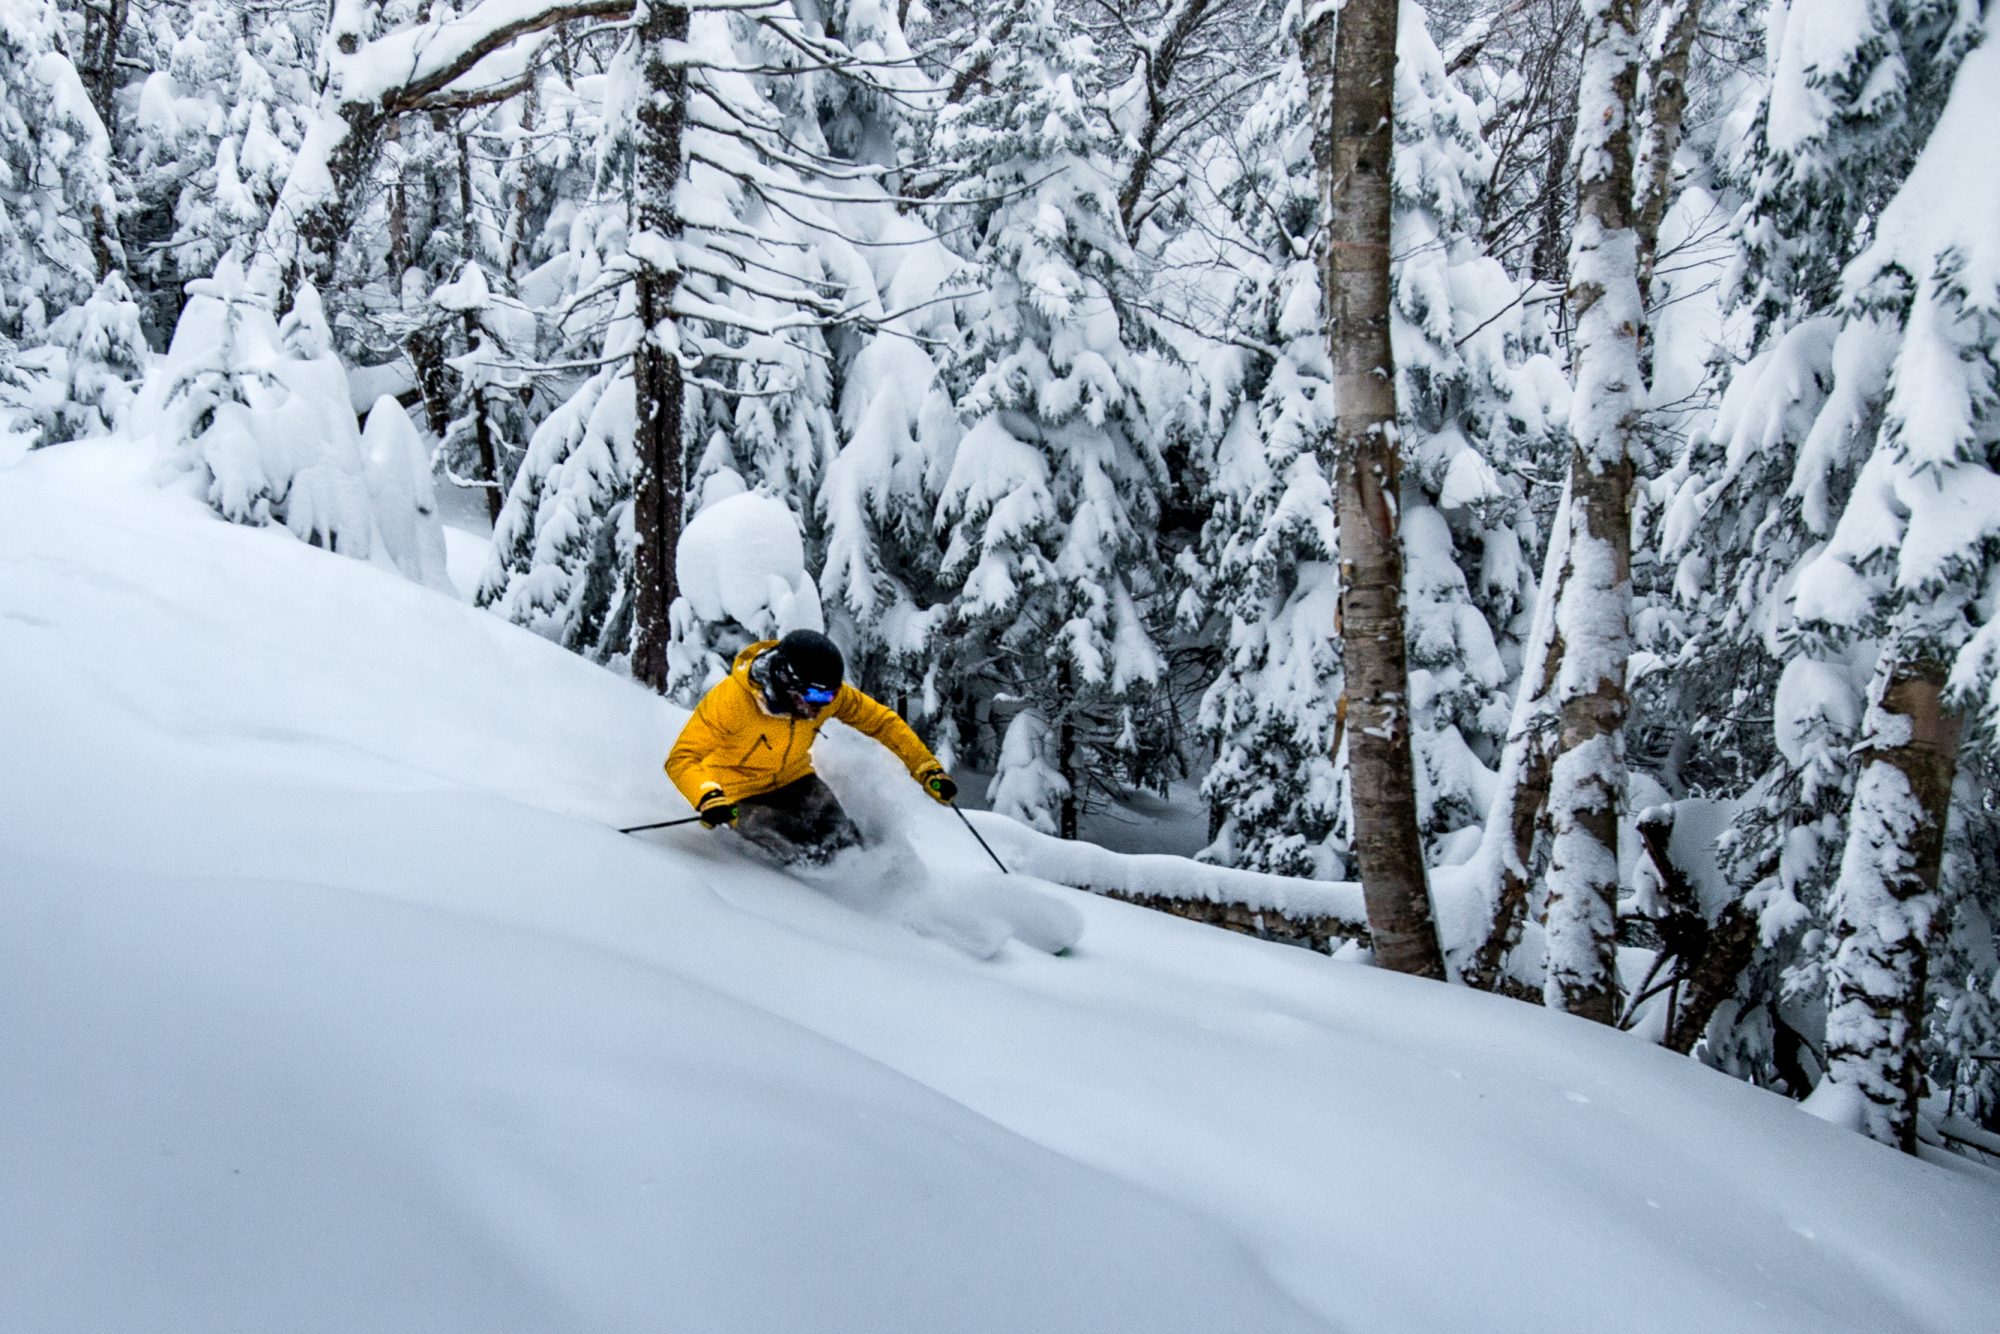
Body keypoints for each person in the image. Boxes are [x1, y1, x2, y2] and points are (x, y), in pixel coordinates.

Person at [665, 629, 958, 865]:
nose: (823, 706)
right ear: (785, 681)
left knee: (848, 847)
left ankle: (876, 909)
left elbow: (883, 722)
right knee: (805, 858)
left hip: (796, 780)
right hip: (738, 796)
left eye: (830, 696)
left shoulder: (826, 697)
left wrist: (926, 768)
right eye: (816, 696)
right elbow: (682, 759)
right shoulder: (731, 702)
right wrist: (707, 797)